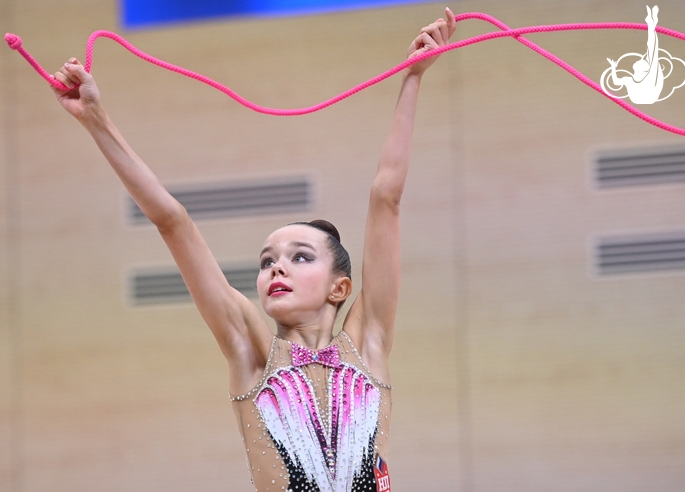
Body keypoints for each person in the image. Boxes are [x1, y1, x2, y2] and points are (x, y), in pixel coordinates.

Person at [52, 7, 456, 491]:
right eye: (267, 261)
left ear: (339, 287)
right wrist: (96, 120)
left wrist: (412, 78)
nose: (276, 267)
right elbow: (171, 220)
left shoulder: (368, 341)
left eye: (299, 256)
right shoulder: (251, 353)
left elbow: (386, 196)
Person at [606, 5, 664, 104]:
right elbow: (616, 82)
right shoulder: (630, 80)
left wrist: (651, 25)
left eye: (643, 61)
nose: (640, 59)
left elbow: (652, 48)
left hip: (647, 96)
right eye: (644, 60)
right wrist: (613, 67)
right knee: (652, 52)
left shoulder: (649, 77)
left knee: (652, 51)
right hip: (643, 97)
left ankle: (651, 24)